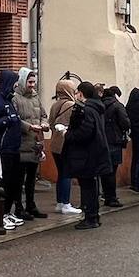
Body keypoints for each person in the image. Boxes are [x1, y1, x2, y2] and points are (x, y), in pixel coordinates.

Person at [63, 82, 112, 231]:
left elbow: (85, 132)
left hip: (87, 154)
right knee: (91, 185)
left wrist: (68, 134)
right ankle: (93, 215)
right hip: (95, 152)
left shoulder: (87, 110)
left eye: (77, 92)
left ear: (81, 94)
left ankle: (90, 217)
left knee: (88, 186)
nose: (76, 95)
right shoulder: (97, 108)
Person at [0, 69, 27, 234]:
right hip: (1, 148)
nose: (16, 86)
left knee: (15, 182)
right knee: (4, 182)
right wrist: (6, 120)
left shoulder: (9, 101)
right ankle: (0, 216)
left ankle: (8, 212)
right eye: (14, 83)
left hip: (14, 148)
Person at [13, 68, 50, 220]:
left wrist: (44, 123)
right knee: (19, 178)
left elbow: (43, 114)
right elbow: (15, 119)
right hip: (22, 143)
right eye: (29, 82)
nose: (32, 85)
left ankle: (31, 205)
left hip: (35, 143)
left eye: (34, 82)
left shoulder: (36, 97)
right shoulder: (15, 98)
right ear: (22, 81)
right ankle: (18, 207)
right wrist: (29, 127)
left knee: (31, 178)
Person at [47, 79, 80, 215]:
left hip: (54, 143)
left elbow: (50, 123)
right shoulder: (72, 105)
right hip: (66, 143)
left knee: (61, 173)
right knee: (66, 173)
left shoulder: (55, 105)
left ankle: (60, 202)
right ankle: (66, 203)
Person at [100, 85, 130, 208]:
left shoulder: (99, 106)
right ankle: (111, 198)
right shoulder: (117, 106)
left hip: (101, 141)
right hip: (114, 140)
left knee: (103, 170)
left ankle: (104, 194)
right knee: (112, 170)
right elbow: (125, 122)